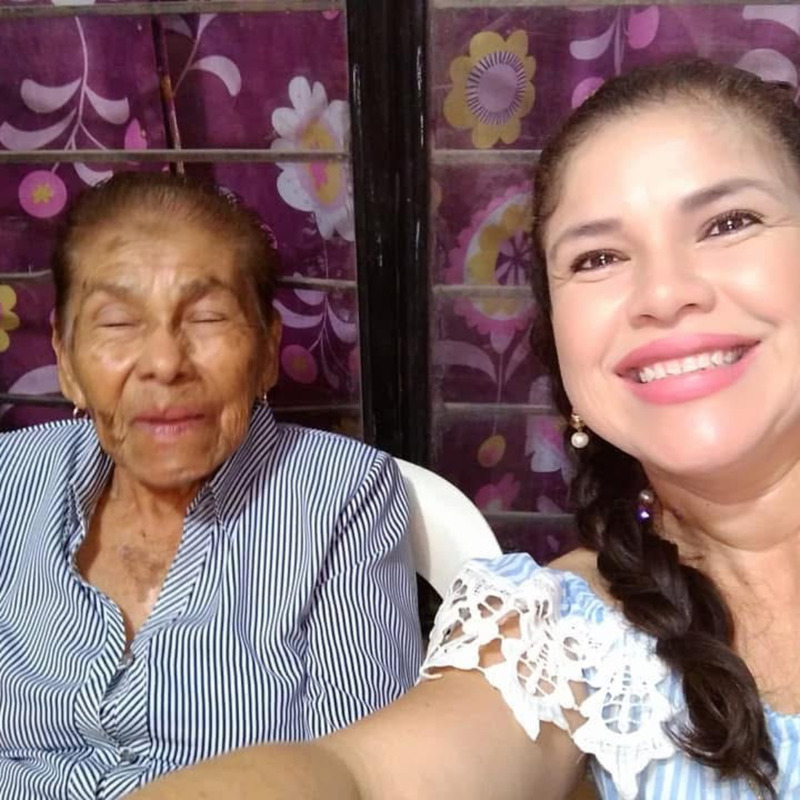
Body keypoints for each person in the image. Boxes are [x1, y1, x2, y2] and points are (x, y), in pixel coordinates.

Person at [129, 59, 800, 799]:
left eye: (728, 223)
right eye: (598, 257)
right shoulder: (562, 634)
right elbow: (369, 777)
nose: (665, 294)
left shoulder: (340, 488)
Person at [0, 172, 423, 799]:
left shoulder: (341, 495)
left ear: (267, 350)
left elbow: (365, 763)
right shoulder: (11, 479)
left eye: (207, 317)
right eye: (117, 323)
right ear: (66, 362)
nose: (166, 363)